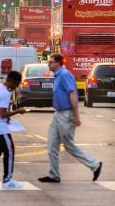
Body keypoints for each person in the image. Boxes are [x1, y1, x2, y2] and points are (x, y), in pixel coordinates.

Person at [37, 54, 102, 184]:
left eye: (51, 62)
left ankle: (94, 165)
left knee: (68, 145)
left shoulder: (64, 75)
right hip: (58, 114)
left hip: (66, 114)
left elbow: (72, 94)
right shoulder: (57, 76)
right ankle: (54, 174)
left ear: (58, 63)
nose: (49, 64)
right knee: (51, 145)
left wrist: (76, 115)